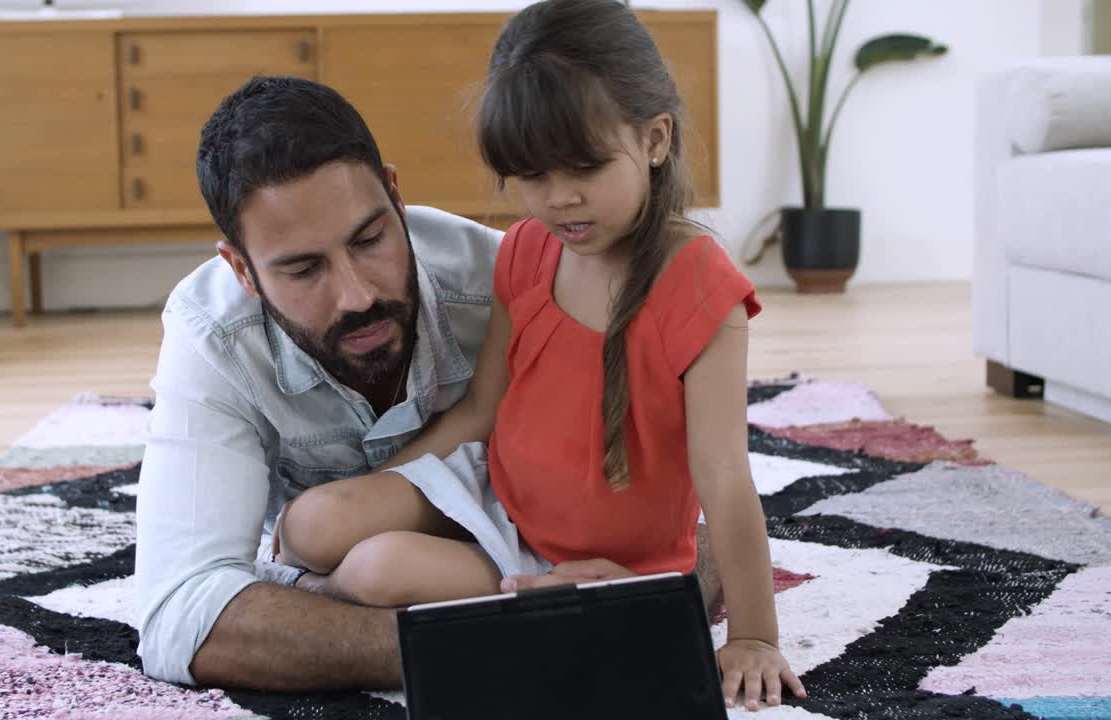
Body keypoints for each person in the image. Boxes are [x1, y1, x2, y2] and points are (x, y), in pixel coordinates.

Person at [276, 0, 805, 711]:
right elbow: (482, 409)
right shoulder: (529, 250)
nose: (559, 198)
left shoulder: (701, 286)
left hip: (604, 569)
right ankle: (311, 578)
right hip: (499, 500)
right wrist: (387, 489)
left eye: (585, 166)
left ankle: (313, 604)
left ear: (654, 139)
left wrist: (754, 635)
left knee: (374, 568)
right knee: (309, 522)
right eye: (533, 175)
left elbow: (725, 479)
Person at [134, 73, 722, 691]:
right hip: (409, 556)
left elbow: (696, 530)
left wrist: (636, 599)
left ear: (395, 196)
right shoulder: (215, 336)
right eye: (304, 269)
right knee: (320, 532)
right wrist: (541, 634)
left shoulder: (527, 285)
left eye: (370, 239)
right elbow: (182, 617)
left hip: (525, 538)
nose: (357, 295)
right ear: (242, 271)